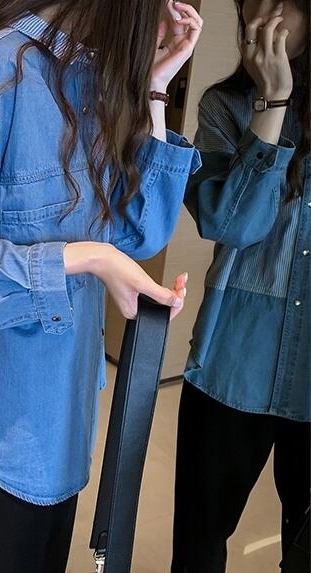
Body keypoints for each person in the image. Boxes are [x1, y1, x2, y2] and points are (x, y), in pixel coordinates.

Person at [0, 1, 202, 571]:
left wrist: (156, 88)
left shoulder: (93, 81)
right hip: (2, 425)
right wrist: (89, 257)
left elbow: (142, 232)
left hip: (66, 410)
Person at [171, 0, 310, 571]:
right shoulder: (222, 106)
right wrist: (272, 103)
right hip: (231, 363)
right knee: (200, 542)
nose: (264, 13)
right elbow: (231, 226)